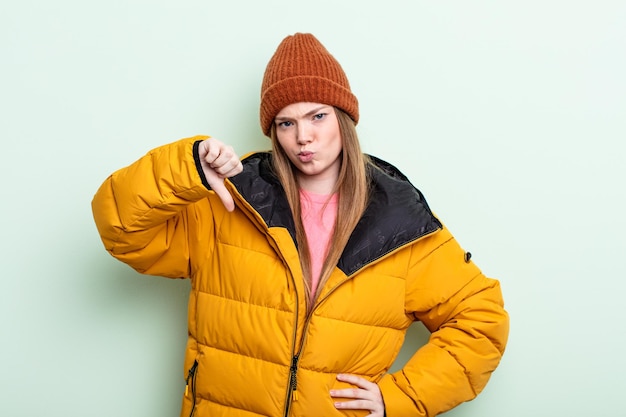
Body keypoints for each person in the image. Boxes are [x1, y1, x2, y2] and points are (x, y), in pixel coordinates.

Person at [92, 33, 509, 417]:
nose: (302, 137)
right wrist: (187, 167)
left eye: (318, 116)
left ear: (344, 118)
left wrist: (400, 398)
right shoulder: (230, 203)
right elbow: (121, 229)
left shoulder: (399, 224)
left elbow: (481, 321)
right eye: (286, 123)